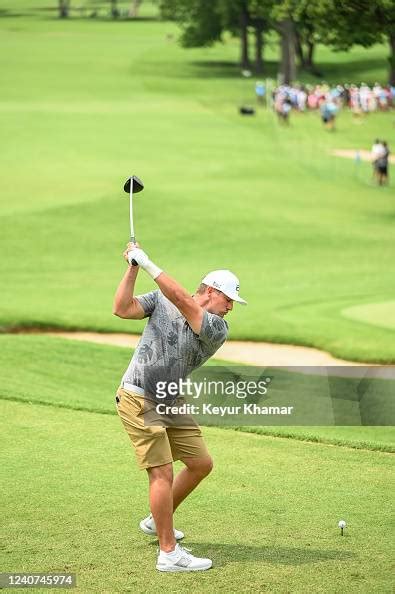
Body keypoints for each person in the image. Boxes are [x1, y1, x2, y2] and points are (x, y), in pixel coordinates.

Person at [112, 242, 247, 572]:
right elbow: (122, 308)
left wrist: (148, 262)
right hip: (139, 396)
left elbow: (184, 301)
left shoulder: (216, 328)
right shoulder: (161, 300)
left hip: (169, 399)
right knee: (161, 471)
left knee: (201, 463)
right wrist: (132, 266)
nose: (231, 306)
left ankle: (156, 520)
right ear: (211, 290)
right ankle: (169, 553)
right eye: (228, 298)